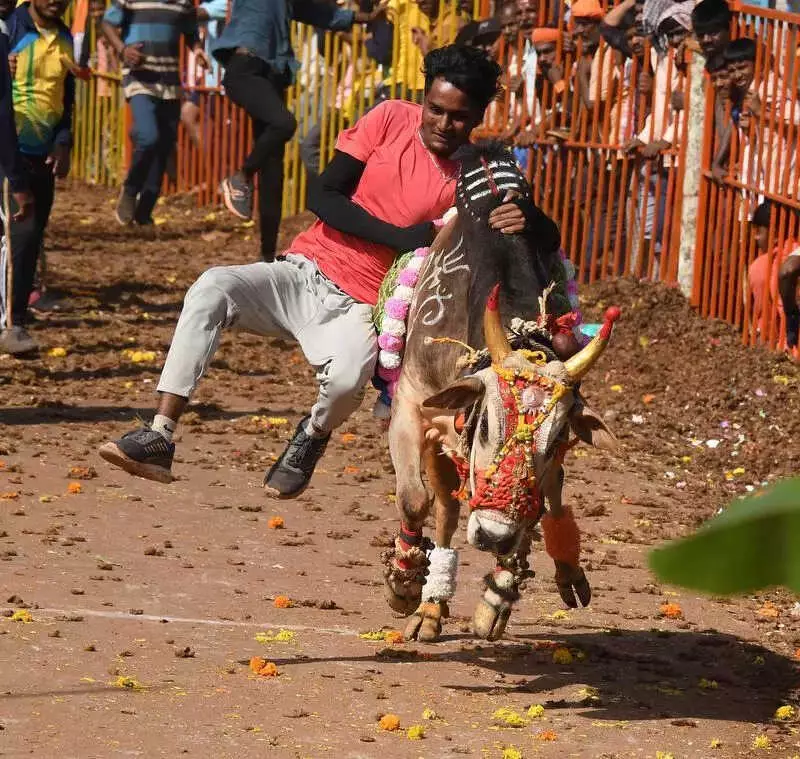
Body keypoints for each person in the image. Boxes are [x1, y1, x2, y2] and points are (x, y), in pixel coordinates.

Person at [98, 46, 531, 499]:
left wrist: (526, 218)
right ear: (423, 100)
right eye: (435, 109)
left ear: (479, 116)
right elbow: (323, 196)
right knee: (212, 286)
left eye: (459, 117)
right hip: (305, 272)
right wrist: (399, 237)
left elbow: (527, 232)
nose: (443, 124)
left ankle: (312, 435)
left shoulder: (477, 173)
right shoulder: (389, 117)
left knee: (346, 383)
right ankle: (160, 434)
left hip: (363, 307)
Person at [214, 0, 384, 263]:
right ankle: (241, 177)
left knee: (273, 169)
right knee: (284, 123)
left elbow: (320, 14)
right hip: (245, 69)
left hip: (273, 75)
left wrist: (367, 17)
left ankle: (267, 256)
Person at [0, 0, 73, 355]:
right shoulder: (11, 27)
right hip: (9, 152)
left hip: (42, 152)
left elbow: (66, 95)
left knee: (32, 237)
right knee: (20, 235)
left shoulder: (64, 36)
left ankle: (18, 316)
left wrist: (63, 142)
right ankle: (12, 324)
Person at [103, 0, 208, 226]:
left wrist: (198, 49)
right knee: (148, 136)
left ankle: (144, 212)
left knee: (164, 145)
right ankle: (130, 189)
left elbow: (190, 31)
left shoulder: (184, 3)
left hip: (170, 81)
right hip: (140, 78)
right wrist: (123, 49)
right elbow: (107, 24)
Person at [746, 201, 800, 356]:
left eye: (758, 232)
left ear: (775, 234)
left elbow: (765, 318)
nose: (755, 237)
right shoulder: (794, 251)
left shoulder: (761, 266)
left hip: (788, 346)